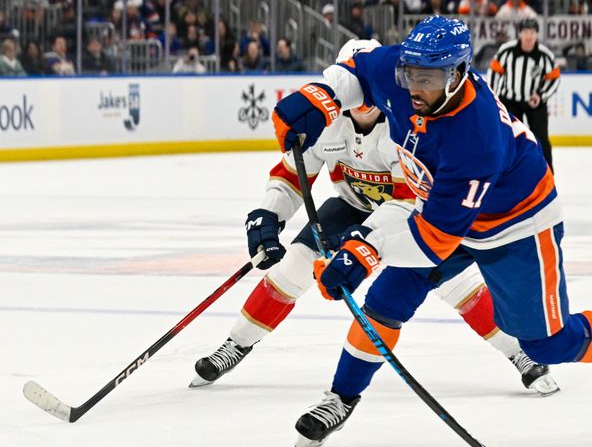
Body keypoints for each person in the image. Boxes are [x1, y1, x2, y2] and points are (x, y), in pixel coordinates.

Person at [271, 16, 592, 447]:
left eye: (428, 78)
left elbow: (433, 241)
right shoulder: (404, 71)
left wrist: (365, 251)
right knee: (384, 302)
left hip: (518, 225)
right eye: (411, 74)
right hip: (445, 212)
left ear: (458, 73)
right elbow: (355, 70)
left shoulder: (475, 137)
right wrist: (317, 99)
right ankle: (340, 397)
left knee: (546, 345)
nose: (415, 88)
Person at [192, 40, 559, 404]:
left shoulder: (403, 123)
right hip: (350, 207)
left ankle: (519, 353)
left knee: (457, 285)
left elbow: (404, 199)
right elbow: (291, 174)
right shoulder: (326, 123)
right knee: (294, 266)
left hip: (407, 216)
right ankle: (236, 344)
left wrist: (365, 242)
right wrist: (269, 214)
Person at [486, 19, 559, 170]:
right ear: (519, 33)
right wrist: (494, 96)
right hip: (510, 101)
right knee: (507, 138)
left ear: (537, 34)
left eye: (532, 32)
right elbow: (494, 72)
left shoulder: (545, 55)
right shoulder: (507, 50)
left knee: (541, 140)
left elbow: (554, 78)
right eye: (525, 32)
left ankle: (547, 174)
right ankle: (505, 173)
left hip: (535, 103)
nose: (529, 36)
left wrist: (541, 95)